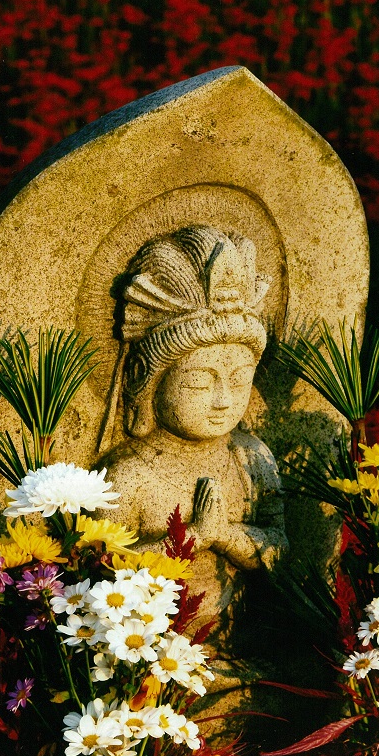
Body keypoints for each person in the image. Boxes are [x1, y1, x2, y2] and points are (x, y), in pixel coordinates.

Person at [95, 225, 287, 664]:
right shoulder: (128, 473)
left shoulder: (252, 457)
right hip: (146, 660)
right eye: (201, 382)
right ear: (151, 385)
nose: (224, 400)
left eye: (239, 381)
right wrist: (191, 540)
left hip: (238, 652)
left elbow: (280, 552)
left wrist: (227, 536)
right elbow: (103, 567)